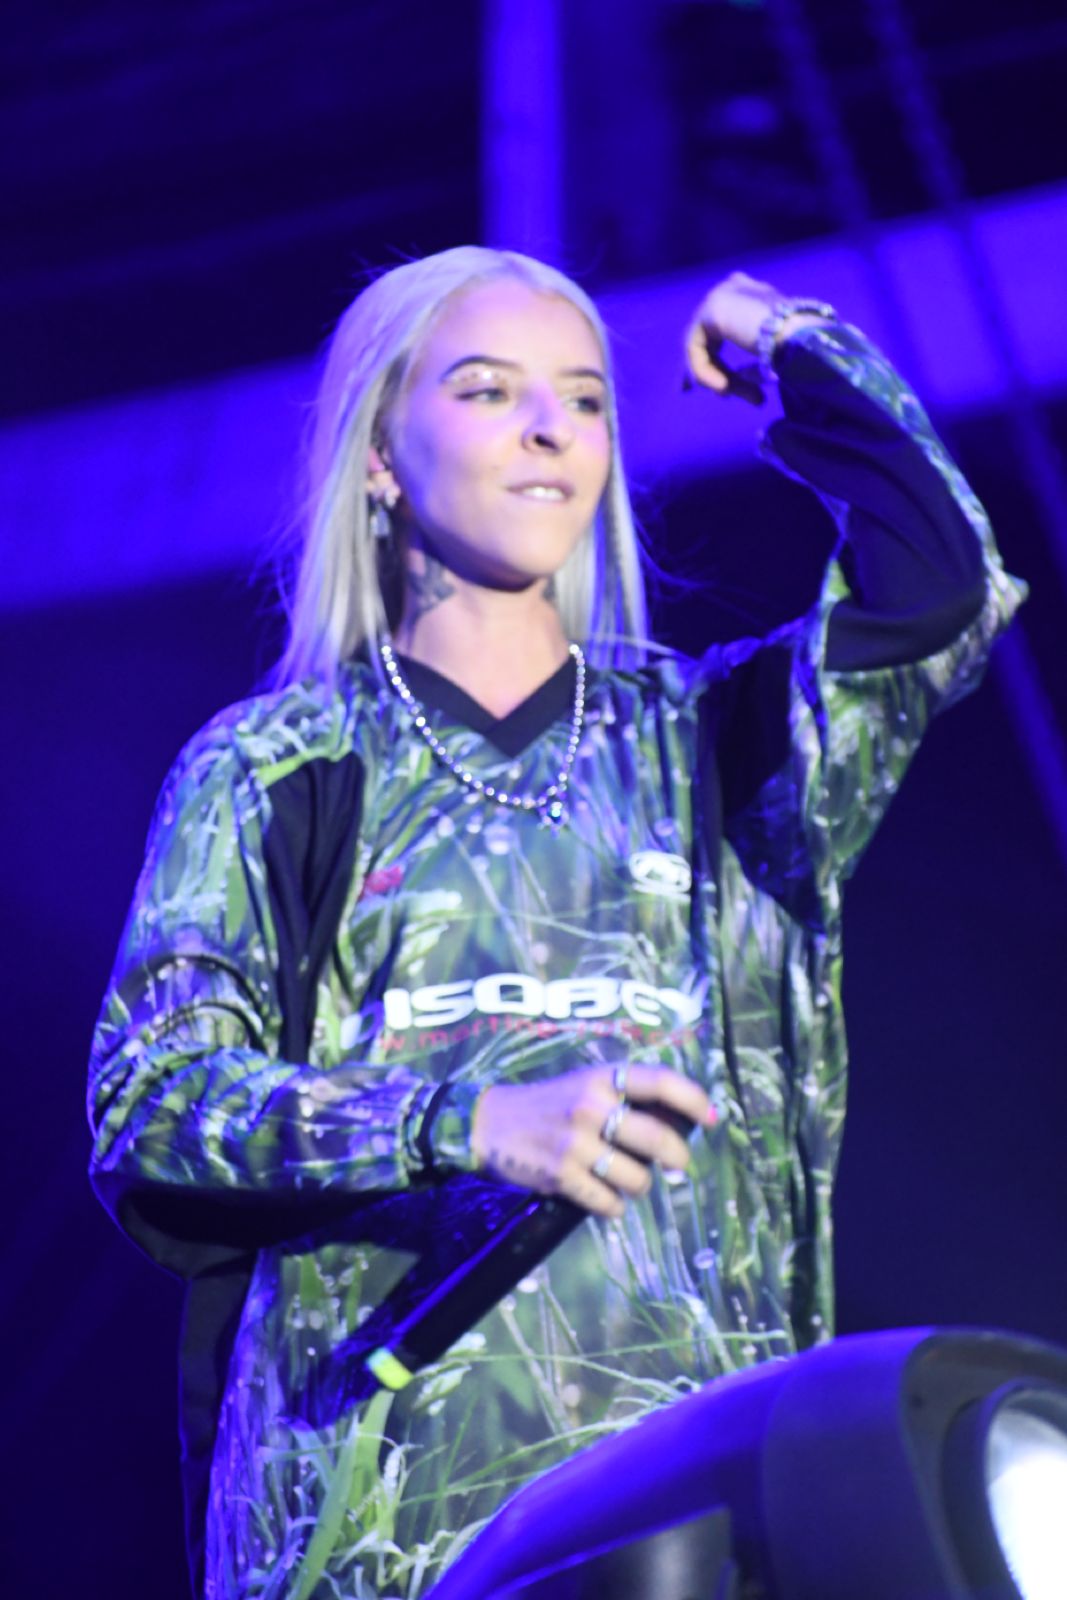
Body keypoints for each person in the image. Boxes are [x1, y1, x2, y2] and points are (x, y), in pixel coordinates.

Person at [88, 247, 1024, 1600]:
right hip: (384, 1541)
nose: (549, 430)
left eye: (583, 399)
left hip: (709, 1518)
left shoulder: (718, 738)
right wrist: (468, 1123)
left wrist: (791, 341)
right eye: (487, 390)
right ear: (379, 457)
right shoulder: (274, 764)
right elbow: (152, 1102)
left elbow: (940, 584)